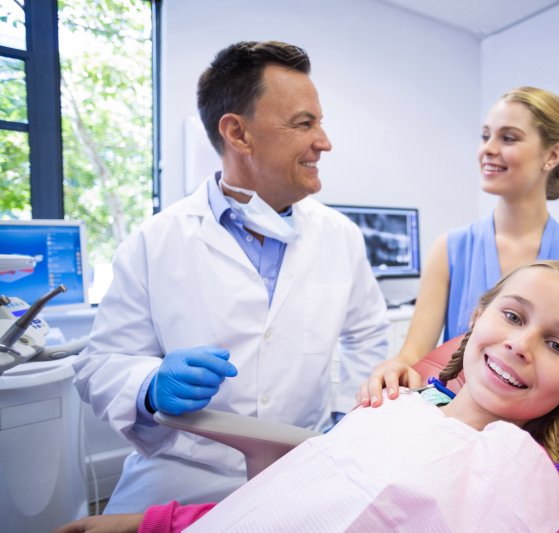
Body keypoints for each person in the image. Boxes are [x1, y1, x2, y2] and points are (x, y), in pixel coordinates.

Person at [58, 261, 559, 533]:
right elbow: (287, 508)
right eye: (511, 315)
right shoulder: (393, 407)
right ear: (475, 320)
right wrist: (148, 523)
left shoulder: (522, 476)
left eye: (556, 344)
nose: (521, 344)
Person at [71, 41, 389, 513]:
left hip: (302, 459)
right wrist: (150, 383)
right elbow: (100, 364)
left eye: (319, 122)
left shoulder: (339, 235)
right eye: (305, 123)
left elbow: (368, 337)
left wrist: (346, 417)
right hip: (183, 468)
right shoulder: (155, 240)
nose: (324, 142)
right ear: (238, 134)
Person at [359, 86, 559, 408]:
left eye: (508, 138)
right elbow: (415, 354)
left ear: (552, 155)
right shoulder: (450, 249)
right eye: (485, 136)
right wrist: (395, 368)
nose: (488, 149)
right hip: (451, 420)